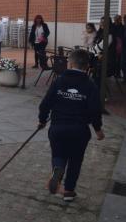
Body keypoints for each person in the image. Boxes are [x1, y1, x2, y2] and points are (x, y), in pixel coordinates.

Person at [38, 49, 104, 202]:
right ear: (87, 66)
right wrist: (98, 129)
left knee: (58, 154)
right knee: (75, 160)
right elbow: (95, 110)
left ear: (70, 63)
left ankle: (58, 169)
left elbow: (46, 103)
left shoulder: (59, 80)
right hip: (79, 130)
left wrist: (42, 120)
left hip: (58, 127)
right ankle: (68, 191)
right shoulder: (90, 85)